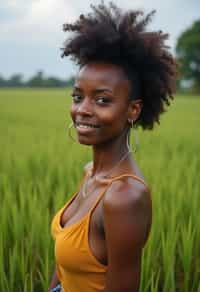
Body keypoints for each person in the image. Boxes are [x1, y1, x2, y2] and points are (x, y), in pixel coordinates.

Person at [49, 2, 177, 292]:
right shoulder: (90, 172)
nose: (82, 109)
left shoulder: (125, 196)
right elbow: (64, 267)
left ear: (133, 110)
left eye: (102, 99)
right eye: (78, 96)